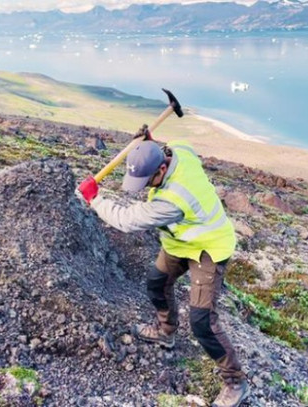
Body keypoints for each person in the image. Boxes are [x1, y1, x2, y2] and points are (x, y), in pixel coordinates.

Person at [77, 131, 250, 407]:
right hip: (181, 242)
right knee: (157, 282)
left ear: (161, 168)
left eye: (148, 181)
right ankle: (166, 332)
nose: (145, 187)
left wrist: (94, 200)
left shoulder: (171, 201)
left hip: (209, 249)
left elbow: (126, 220)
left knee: (202, 321)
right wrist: (148, 141)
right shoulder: (179, 151)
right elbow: (179, 142)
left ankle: (236, 383)